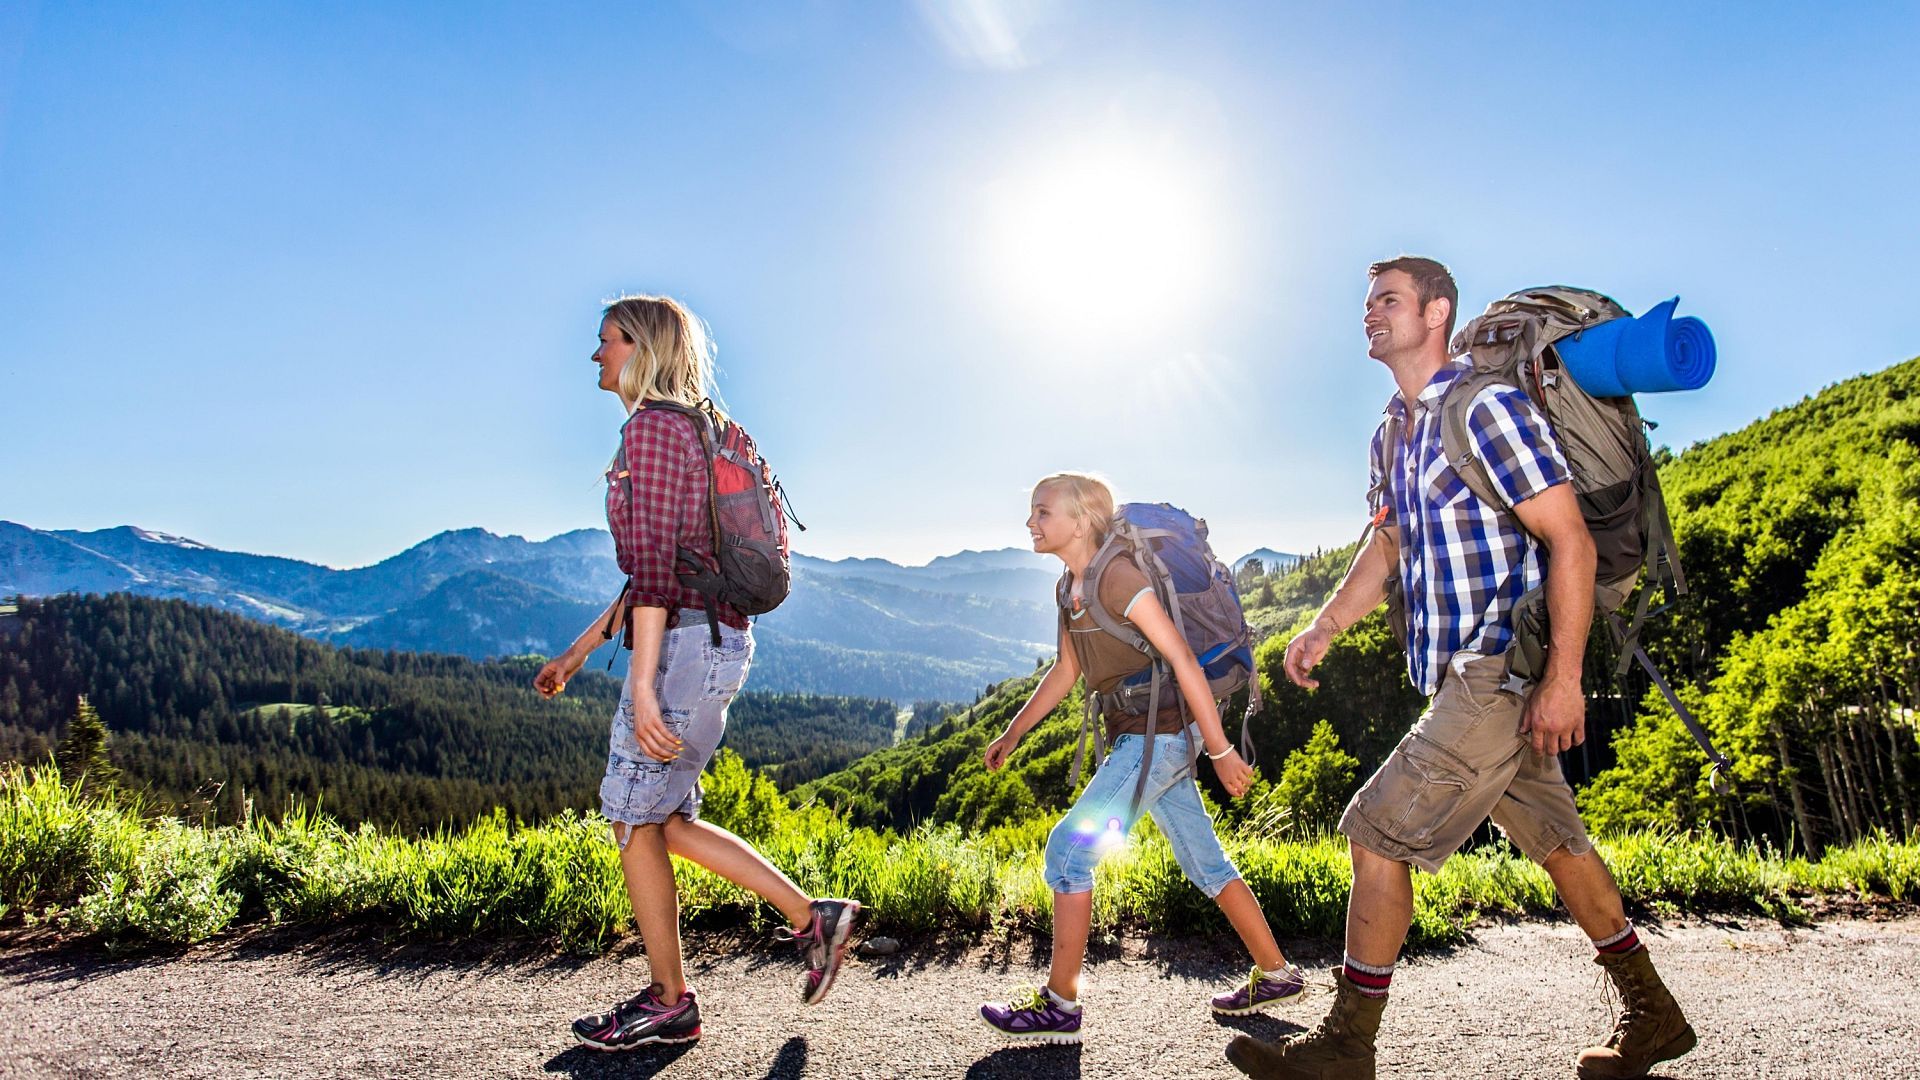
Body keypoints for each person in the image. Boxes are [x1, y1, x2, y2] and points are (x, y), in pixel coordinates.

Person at [1225, 258, 1694, 1080]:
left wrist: (1563, 678)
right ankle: (1654, 1015)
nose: (1370, 313)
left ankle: (1346, 1046)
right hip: (1458, 681)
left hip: (1498, 672)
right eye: (1367, 301)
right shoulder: (1391, 431)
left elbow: (1569, 540)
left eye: (1389, 300)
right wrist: (1325, 623)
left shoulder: (1486, 410)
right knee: (1561, 845)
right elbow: (1390, 543)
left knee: (1376, 837)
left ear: (1437, 312)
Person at [534, 294, 859, 1050]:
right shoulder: (698, 424)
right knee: (663, 820)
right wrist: (580, 653)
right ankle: (813, 919)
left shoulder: (650, 429)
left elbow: (651, 570)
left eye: (607, 341)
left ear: (640, 347)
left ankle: (671, 1001)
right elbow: (665, 568)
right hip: (704, 641)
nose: (596, 355)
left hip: (681, 650)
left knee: (634, 819)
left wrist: (642, 682)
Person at [977, 472, 1304, 1044]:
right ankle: (1276, 974)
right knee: (1206, 864)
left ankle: (1060, 1006)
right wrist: (1013, 732)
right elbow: (1067, 672)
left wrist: (1221, 751)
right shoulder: (1069, 587)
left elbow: (1183, 659)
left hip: (1165, 737)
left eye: (1042, 511)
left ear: (1080, 521)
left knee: (1069, 852)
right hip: (1147, 735)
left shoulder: (1119, 577)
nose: (1031, 521)